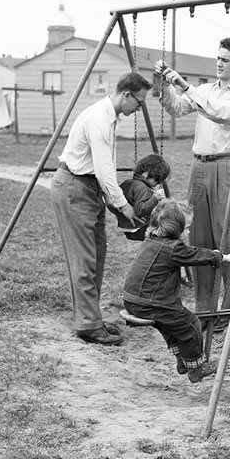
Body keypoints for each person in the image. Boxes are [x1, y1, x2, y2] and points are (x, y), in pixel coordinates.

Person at [154, 37, 230, 330]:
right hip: (199, 166)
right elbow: (177, 108)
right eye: (217, 58)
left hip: (225, 166)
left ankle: (228, 311)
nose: (219, 63)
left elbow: (221, 114)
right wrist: (164, 84)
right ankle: (204, 310)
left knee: (225, 238)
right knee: (198, 240)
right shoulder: (206, 90)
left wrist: (185, 86)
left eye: (225, 59)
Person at [51, 72, 150, 346]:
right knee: (84, 260)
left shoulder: (110, 118)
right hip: (74, 187)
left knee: (96, 257)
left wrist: (111, 199)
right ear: (126, 95)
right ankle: (88, 325)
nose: (139, 109)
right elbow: (105, 169)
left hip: (89, 188)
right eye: (139, 103)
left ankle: (90, 317)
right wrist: (124, 206)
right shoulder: (99, 118)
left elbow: (105, 167)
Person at [122, 200, 230, 383]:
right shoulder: (173, 248)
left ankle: (182, 361)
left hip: (134, 300)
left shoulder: (151, 240)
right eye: (187, 228)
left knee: (171, 327)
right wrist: (220, 256)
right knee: (190, 324)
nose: (189, 232)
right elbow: (195, 255)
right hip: (152, 303)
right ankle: (197, 368)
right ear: (175, 230)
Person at [107, 153, 170, 241]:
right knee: (167, 228)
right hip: (139, 228)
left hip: (125, 226)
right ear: (146, 174)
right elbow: (140, 210)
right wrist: (155, 198)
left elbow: (112, 202)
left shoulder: (127, 182)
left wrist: (120, 215)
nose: (158, 184)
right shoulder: (143, 189)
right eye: (158, 180)